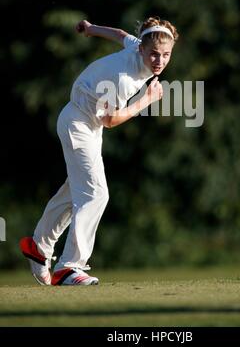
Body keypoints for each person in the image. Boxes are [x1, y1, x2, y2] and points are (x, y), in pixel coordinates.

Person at [20, 16, 179, 286]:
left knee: (76, 190)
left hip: (86, 125)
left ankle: (39, 247)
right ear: (142, 49)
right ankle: (69, 267)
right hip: (79, 124)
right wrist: (147, 100)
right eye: (154, 54)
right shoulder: (124, 79)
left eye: (165, 55)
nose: (159, 61)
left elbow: (119, 34)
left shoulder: (135, 46)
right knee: (96, 193)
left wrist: (92, 29)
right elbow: (111, 120)